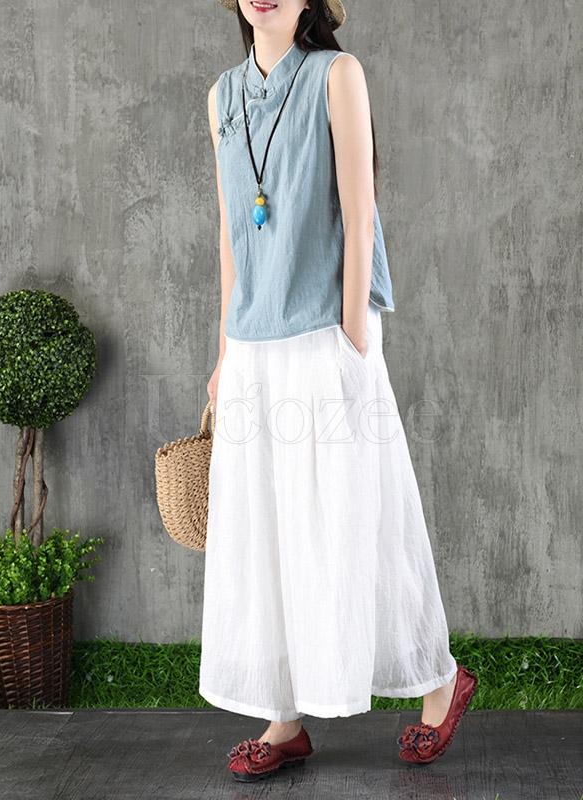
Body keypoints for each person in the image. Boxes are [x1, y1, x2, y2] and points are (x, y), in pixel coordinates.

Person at [199, 0, 478, 781]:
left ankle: (438, 679)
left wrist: (354, 340)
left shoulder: (335, 75)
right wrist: (223, 354)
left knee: (363, 511)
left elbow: (360, 211)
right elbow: (230, 232)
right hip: (254, 344)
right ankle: (285, 716)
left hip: (328, 328)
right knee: (268, 526)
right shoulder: (221, 96)